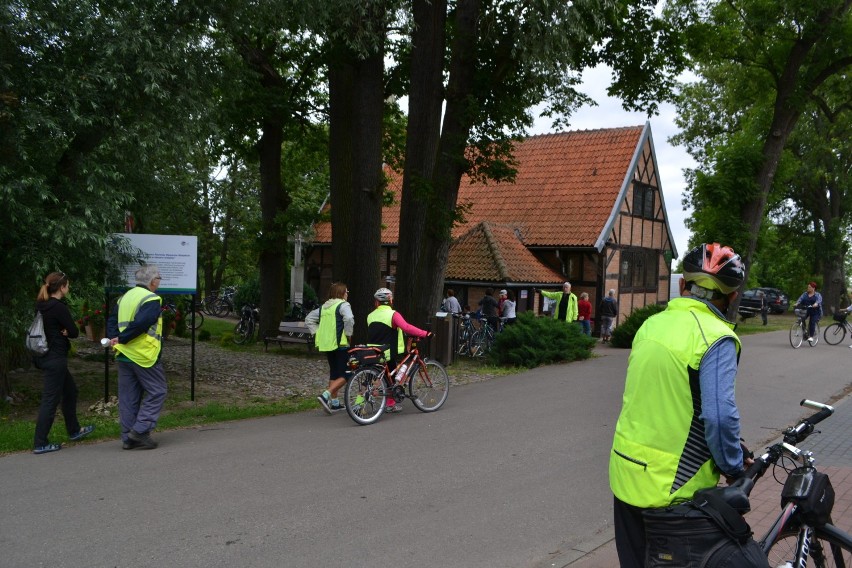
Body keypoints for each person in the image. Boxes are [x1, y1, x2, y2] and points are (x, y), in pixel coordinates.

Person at [609, 243, 751, 567]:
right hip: (675, 489)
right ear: (731, 297)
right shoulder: (716, 337)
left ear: (683, 285)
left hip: (626, 472)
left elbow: (667, 399)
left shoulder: (651, 325)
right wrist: (732, 464)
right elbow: (719, 416)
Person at [32, 272, 95, 455]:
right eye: (67, 285)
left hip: (44, 355)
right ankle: (40, 442)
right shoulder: (58, 307)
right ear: (62, 287)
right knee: (50, 400)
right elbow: (75, 332)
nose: (69, 288)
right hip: (55, 358)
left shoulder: (41, 305)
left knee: (70, 391)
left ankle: (74, 430)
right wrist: (67, 331)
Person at [106, 265, 167, 450]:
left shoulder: (124, 298)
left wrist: (114, 338)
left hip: (124, 354)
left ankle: (127, 438)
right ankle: (140, 431)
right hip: (143, 355)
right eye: (159, 278)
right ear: (152, 281)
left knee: (128, 397)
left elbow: (111, 320)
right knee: (158, 391)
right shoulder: (151, 298)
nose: (159, 281)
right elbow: (142, 323)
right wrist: (122, 338)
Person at [367, 288, 431, 413]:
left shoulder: (370, 316)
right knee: (392, 377)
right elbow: (406, 327)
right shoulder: (393, 315)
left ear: (377, 302)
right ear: (390, 300)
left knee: (370, 379)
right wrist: (425, 333)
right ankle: (390, 404)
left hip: (373, 351)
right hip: (387, 351)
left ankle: (358, 404)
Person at [305, 282, 355, 414]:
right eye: (346, 291)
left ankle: (334, 403)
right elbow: (349, 319)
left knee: (334, 372)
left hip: (327, 344)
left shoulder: (324, 307)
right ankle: (326, 395)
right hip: (341, 344)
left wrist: (317, 333)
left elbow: (309, 319)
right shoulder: (343, 305)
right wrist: (349, 334)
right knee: (347, 374)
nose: (347, 293)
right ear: (341, 293)